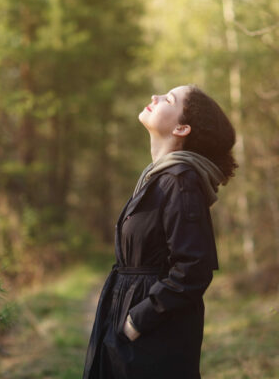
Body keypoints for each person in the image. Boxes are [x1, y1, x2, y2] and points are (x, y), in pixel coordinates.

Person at [82, 84, 238, 379]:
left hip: (153, 335)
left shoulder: (181, 182)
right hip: (130, 320)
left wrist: (137, 321)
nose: (154, 97)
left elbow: (194, 269)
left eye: (169, 99)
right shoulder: (157, 178)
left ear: (181, 128)